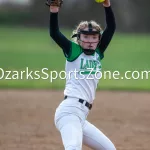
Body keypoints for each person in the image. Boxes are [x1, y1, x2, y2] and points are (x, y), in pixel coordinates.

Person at [48, 0, 116, 149]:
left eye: (94, 37)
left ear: (98, 40)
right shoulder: (73, 51)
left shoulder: (98, 53)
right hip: (69, 112)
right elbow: (55, 33)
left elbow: (111, 28)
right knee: (73, 147)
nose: (90, 41)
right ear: (79, 38)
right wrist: (54, 11)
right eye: (86, 37)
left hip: (81, 116)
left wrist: (107, 6)